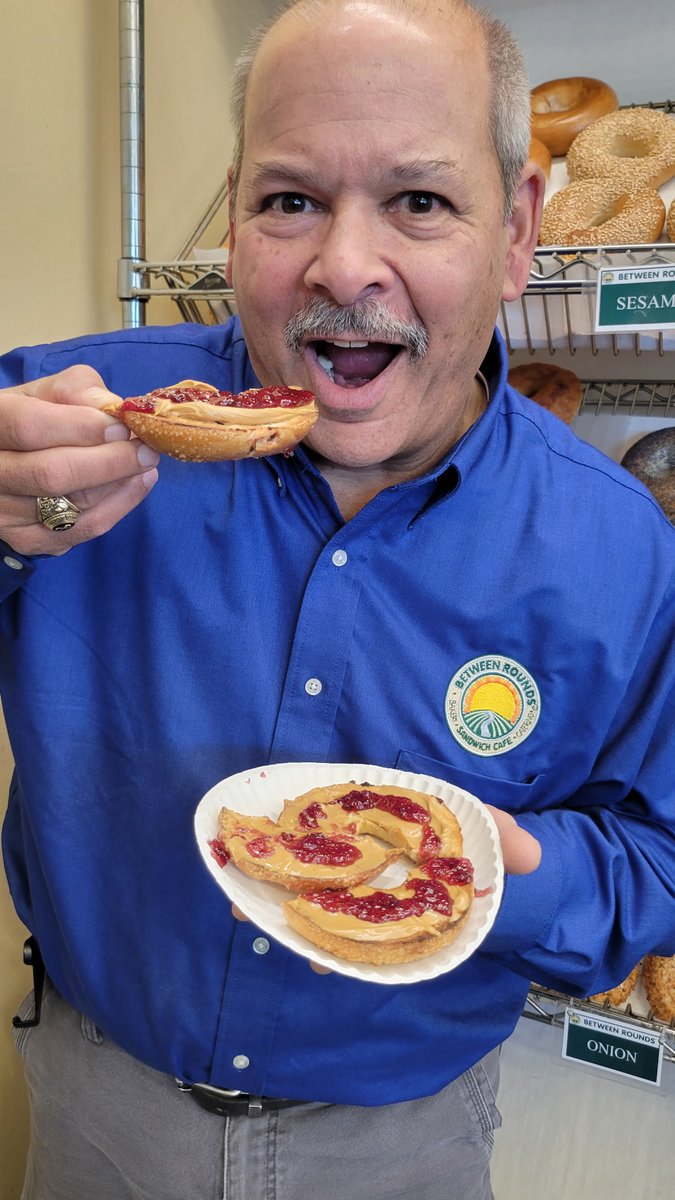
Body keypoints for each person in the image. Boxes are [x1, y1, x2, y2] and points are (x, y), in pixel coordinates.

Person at [1, 1, 674, 1197]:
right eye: (290, 199)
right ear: (236, 212)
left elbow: (656, 862)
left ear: (518, 233)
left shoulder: (619, 546)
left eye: (420, 201)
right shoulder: (62, 420)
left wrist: (503, 874)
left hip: (405, 1140)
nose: (345, 266)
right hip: (97, 1102)